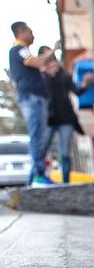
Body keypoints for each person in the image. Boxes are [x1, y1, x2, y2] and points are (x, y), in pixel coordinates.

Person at [9, 21, 55, 186]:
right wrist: (53, 51)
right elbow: (37, 62)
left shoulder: (21, 50)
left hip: (34, 97)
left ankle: (34, 178)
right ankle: (38, 176)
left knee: (39, 137)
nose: (33, 35)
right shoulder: (19, 49)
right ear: (22, 31)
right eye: (30, 31)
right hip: (32, 97)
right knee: (37, 137)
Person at [38, 46, 93, 184]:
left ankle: (66, 183)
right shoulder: (40, 77)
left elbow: (77, 91)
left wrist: (85, 84)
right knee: (41, 150)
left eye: (52, 58)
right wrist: (47, 74)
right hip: (48, 120)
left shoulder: (63, 75)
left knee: (65, 153)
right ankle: (37, 177)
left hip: (65, 118)